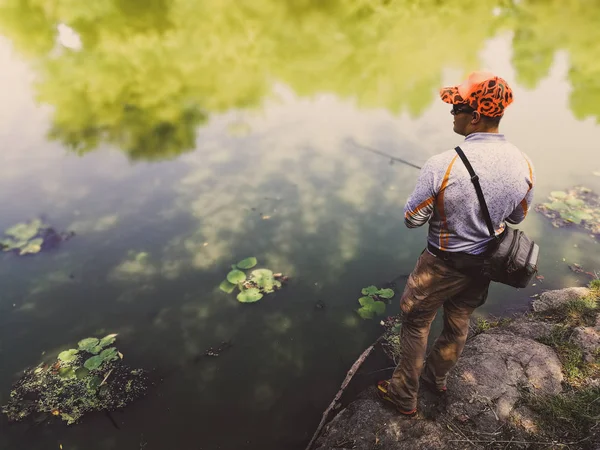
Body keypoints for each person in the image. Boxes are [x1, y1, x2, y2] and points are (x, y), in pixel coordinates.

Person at [377, 71, 535, 416]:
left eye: (456, 108)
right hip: (483, 265)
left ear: (475, 115)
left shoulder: (441, 165)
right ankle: (438, 377)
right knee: (459, 319)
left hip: (441, 264)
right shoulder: (524, 163)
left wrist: (439, 200)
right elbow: (517, 218)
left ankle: (404, 395)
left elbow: (412, 219)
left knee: (417, 323)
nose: (451, 114)